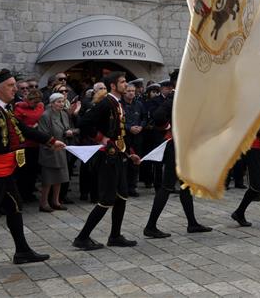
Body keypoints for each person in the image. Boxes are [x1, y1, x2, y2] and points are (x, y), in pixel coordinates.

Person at [0, 68, 66, 264]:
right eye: (10, 86)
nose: (15, 89)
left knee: (15, 207)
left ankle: (22, 251)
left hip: (5, 172)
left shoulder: (4, 109)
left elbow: (23, 130)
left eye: (14, 85)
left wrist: (50, 140)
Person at [73, 71, 141, 250]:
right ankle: (82, 237)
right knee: (107, 198)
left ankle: (115, 235)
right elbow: (84, 122)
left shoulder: (117, 103)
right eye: (123, 82)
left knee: (122, 195)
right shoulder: (106, 103)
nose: (126, 85)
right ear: (113, 85)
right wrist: (101, 138)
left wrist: (129, 153)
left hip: (118, 156)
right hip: (107, 158)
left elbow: (120, 134)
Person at [143, 69, 212, 239]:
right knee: (167, 187)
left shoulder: (183, 97)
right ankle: (150, 226)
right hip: (176, 148)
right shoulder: (175, 97)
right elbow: (158, 116)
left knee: (185, 185)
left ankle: (192, 223)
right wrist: (168, 127)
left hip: (184, 146)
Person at [37, 93, 74, 212]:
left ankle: (56, 201)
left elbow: (66, 128)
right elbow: (43, 134)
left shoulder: (64, 114)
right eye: (58, 102)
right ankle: (43, 203)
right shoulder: (45, 115)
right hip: (50, 150)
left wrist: (68, 132)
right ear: (52, 103)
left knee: (60, 178)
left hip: (61, 149)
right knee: (48, 180)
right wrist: (53, 142)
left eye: (62, 101)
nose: (61, 104)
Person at [13, 88, 45, 203]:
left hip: (37, 143)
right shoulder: (19, 108)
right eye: (34, 102)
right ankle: (22, 194)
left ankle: (30, 192)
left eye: (38, 102)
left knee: (33, 170)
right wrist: (31, 127)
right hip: (25, 144)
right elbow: (17, 126)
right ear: (28, 100)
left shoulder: (40, 106)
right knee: (23, 170)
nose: (35, 104)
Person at [121, 83, 146, 197]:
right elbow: (119, 121)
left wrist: (141, 126)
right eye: (129, 91)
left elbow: (145, 117)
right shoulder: (120, 105)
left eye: (133, 91)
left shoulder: (139, 104)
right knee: (125, 163)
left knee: (136, 163)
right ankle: (124, 187)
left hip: (138, 137)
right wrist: (129, 128)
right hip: (125, 137)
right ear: (124, 92)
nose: (131, 93)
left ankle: (133, 187)